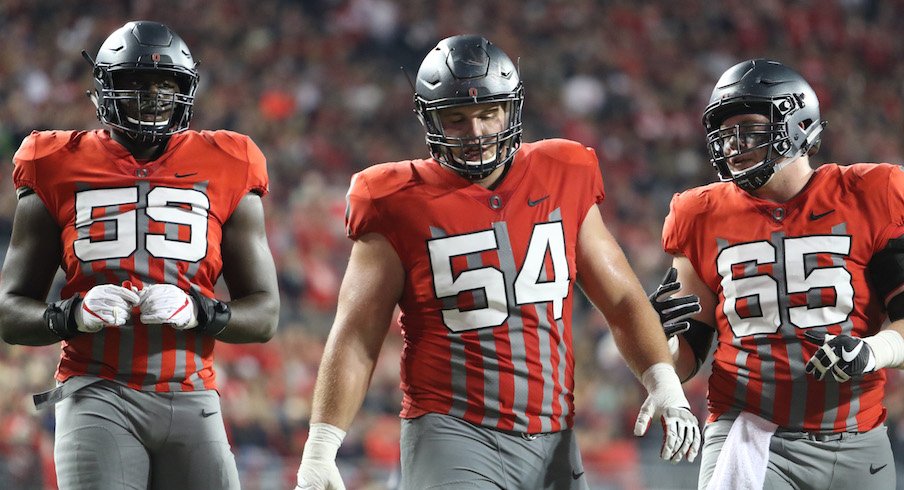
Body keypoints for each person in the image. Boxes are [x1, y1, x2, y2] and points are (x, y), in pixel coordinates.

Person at [294, 34, 700, 490]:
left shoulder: (562, 171)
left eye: (489, 113)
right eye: (457, 118)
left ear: (512, 109)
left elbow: (622, 298)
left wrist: (663, 382)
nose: (477, 132)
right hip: (451, 430)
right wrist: (322, 443)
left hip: (554, 431)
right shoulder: (394, 198)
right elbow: (356, 334)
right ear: (431, 121)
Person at [0, 20, 280, 490]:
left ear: (185, 91)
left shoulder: (229, 161)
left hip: (192, 393)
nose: (152, 98)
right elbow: (9, 312)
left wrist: (200, 310)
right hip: (96, 390)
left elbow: (265, 314)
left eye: (165, 85)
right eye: (135, 84)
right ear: (106, 89)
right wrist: (71, 314)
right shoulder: (54, 162)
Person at [657, 58, 904, 489]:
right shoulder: (699, 213)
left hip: (857, 434)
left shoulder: (871, 194)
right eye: (725, 134)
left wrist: (871, 352)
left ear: (796, 125)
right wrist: (659, 340)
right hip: (750, 429)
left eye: (748, 129)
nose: (733, 146)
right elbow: (685, 358)